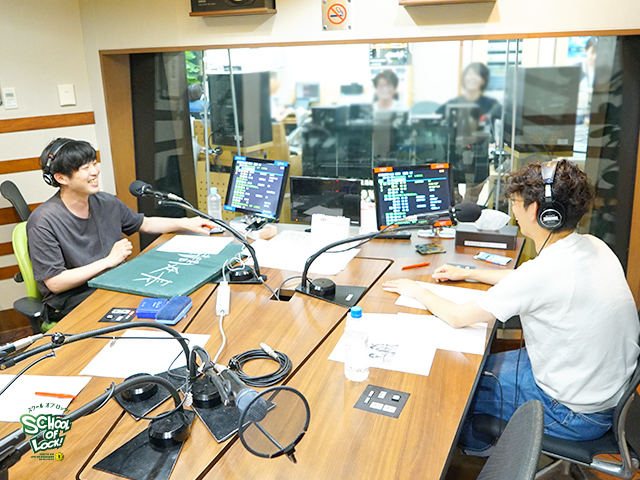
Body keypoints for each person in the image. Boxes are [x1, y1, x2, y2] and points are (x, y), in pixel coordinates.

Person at [382, 159, 639, 454]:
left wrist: (417, 290)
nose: (513, 210)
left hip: (572, 415)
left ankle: (485, 455)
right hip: (605, 395)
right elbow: (527, 280)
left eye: (516, 202)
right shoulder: (593, 245)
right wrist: (466, 272)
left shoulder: (544, 272)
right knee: (473, 366)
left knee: (453, 383)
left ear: (538, 211)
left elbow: (457, 316)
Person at [27, 138, 216, 322]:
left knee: (180, 300)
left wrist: (186, 223)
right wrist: (108, 261)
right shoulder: (43, 221)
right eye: (85, 168)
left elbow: (144, 224)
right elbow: (55, 282)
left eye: (94, 163)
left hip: (114, 282)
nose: (94, 171)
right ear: (60, 178)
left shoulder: (106, 202)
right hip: (75, 298)